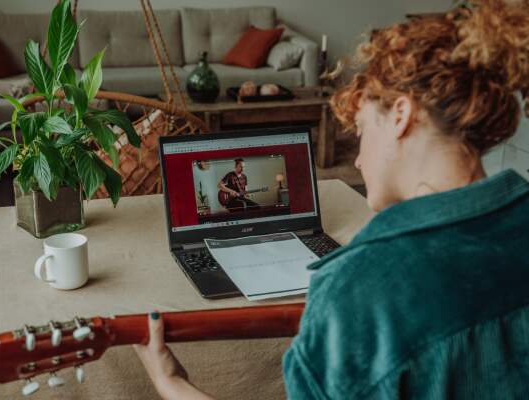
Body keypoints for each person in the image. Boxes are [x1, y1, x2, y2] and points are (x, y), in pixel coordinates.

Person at [133, 1, 529, 398]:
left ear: (400, 116)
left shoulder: (357, 289)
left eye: (360, 129)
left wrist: (171, 383)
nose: (356, 159)